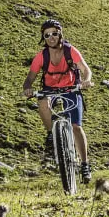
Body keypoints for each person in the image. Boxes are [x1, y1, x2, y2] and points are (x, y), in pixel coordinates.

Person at [22, 19, 94, 183]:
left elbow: (85, 69)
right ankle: (50, 134)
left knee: (76, 127)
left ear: (60, 34)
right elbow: (29, 79)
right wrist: (27, 88)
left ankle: (85, 164)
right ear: (43, 38)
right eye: (47, 35)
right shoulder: (41, 56)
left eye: (54, 33)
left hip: (71, 89)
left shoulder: (70, 51)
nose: (51, 37)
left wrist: (86, 81)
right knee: (42, 101)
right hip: (50, 90)